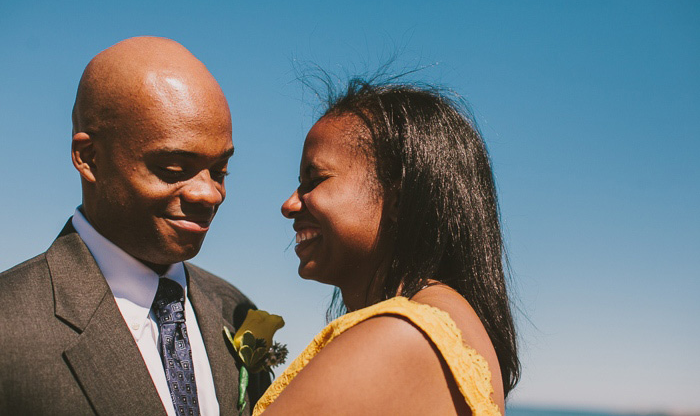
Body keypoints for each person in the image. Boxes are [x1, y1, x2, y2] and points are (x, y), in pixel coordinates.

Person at [0, 37, 268, 416]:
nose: (210, 194)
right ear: (89, 158)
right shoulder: (9, 325)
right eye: (173, 169)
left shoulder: (236, 311)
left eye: (221, 171)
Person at [256, 79, 519, 415]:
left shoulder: (402, 335)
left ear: (398, 199)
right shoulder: (443, 323)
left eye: (316, 180)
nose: (290, 204)